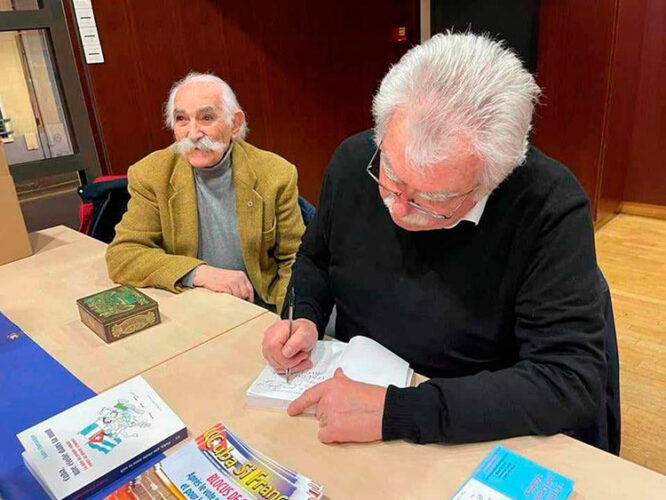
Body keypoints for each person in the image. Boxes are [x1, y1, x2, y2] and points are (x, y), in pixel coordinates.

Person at [261, 33, 606, 444]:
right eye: (391, 175)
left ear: (493, 180)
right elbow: (316, 257)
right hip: (350, 385)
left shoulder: (548, 205)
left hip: (465, 418)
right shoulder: (354, 160)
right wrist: (304, 314)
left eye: (433, 199)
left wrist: (399, 411)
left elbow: (568, 379)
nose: (398, 209)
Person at [106, 73, 304, 311]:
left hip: (258, 305)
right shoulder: (151, 174)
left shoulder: (275, 174)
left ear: (235, 124)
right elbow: (123, 255)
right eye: (181, 119)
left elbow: (295, 259)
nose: (193, 133)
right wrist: (199, 272)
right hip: (190, 304)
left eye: (206, 118)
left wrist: (288, 317)